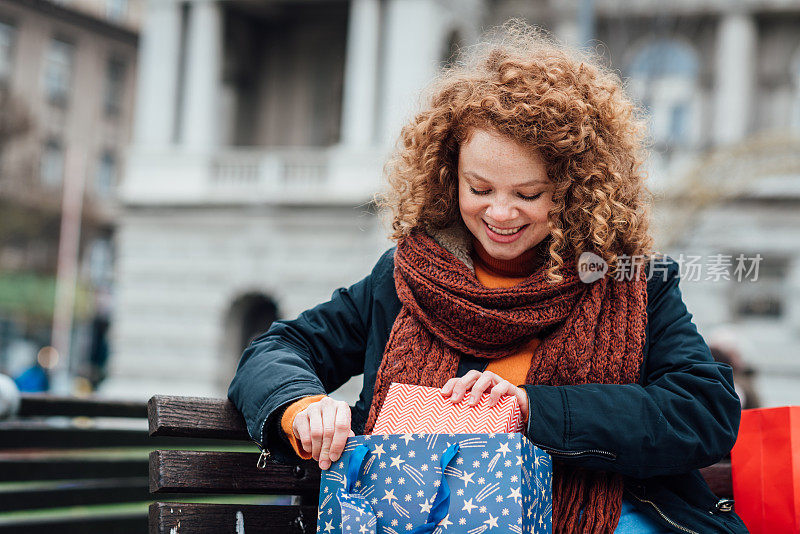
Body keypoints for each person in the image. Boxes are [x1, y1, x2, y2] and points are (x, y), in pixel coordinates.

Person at [228, 22, 747, 534]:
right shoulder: (406, 278)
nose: (501, 213)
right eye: (480, 188)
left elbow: (704, 411)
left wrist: (530, 410)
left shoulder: (631, 284)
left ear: (573, 191)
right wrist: (302, 407)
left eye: (528, 194)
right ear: (448, 176)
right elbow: (276, 351)